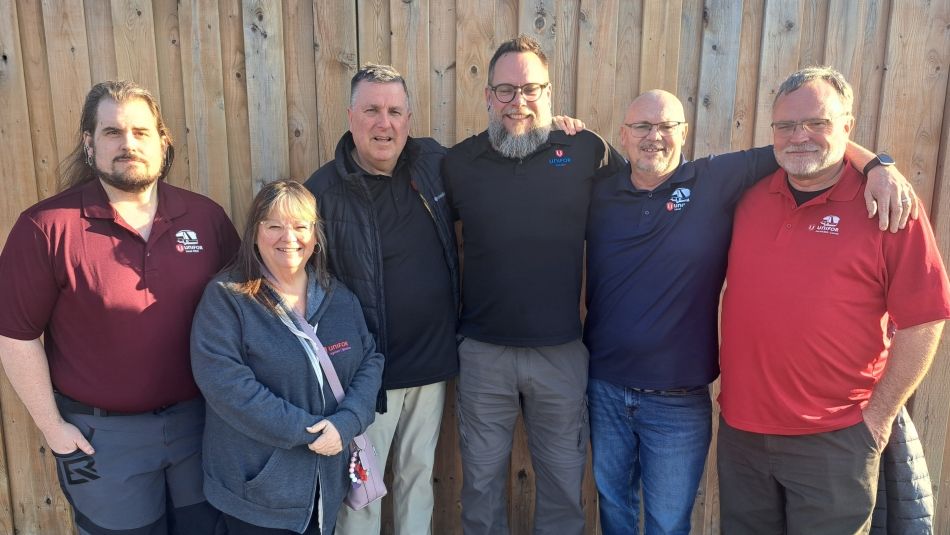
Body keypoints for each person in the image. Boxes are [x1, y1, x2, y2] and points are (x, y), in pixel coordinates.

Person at [584, 89, 916, 534]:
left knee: (667, 522)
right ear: (623, 135)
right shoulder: (600, 189)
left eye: (666, 126)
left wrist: (878, 164)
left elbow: (804, 143)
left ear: (685, 133)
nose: (654, 137)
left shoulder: (714, 179)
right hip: (604, 384)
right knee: (614, 510)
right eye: (642, 126)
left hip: (678, 398)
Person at [717, 66, 950, 534]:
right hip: (741, 432)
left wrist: (878, 418)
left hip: (834, 437)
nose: (799, 136)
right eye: (785, 125)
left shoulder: (888, 206)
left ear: (848, 125)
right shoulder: (748, 197)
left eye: (817, 123)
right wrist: (875, 159)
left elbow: (924, 319)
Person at [0, 80, 239, 534]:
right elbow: (16, 335)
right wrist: (53, 428)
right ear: (90, 145)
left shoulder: (206, 218)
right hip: (103, 441)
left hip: (200, 428)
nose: (128, 144)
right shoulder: (46, 228)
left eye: (140, 132)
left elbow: (244, 313)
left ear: (162, 142)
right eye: (112, 132)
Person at [442, 35, 623, 535]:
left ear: (549, 93)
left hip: (561, 352)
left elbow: (638, 198)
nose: (518, 102)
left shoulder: (587, 150)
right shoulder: (458, 164)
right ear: (487, 96)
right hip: (482, 353)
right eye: (506, 90)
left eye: (531, 89)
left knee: (565, 486)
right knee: (479, 487)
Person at [304, 64, 459, 535]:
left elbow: (494, 161)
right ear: (351, 117)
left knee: (418, 481)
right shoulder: (322, 192)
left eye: (394, 111)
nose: (383, 122)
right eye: (371, 110)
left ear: (408, 119)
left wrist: (556, 127)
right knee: (362, 496)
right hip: (364, 382)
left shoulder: (433, 165)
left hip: (431, 370)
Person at [190, 179, 384, 534]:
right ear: (254, 233)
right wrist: (309, 433)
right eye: (274, 226)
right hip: (259, 493)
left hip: (324, 486)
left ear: (316, 235)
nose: (288, 237)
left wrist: (348, 422)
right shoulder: (227, 299)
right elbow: (227, 386)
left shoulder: (337, 296)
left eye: (300, 226)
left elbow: (370, 360)